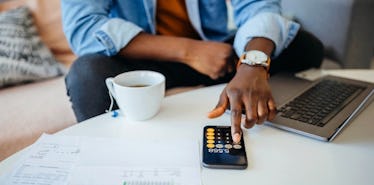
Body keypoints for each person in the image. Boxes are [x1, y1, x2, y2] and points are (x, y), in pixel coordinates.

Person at [62, 0, 323, 143]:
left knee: (304, 45)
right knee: (87, 73)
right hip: (145, 57)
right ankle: (106, 159)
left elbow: (260, 7)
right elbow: (84, 27)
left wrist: (252, 65)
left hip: (218, 54)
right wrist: (189, 51)